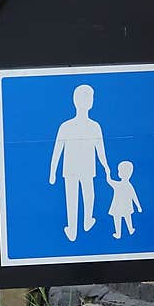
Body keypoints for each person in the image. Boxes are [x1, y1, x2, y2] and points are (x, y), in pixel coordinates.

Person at [48, 84, 111, 241]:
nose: (90, 100)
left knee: (82, 196)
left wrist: (106, 167)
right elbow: (58, 150)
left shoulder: (87, 126)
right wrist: (52, 172)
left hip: (77, 169)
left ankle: (80, 224)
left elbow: (100, 151)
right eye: (88, 97)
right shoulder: (75, 126)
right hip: (75, 169)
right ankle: (80, 224)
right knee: (83, 196)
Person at [107, 161, 142, 239]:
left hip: (117, 206)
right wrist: (138, 207)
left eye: (119, 171)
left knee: (117, 218)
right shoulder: (129, 185)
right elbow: (134, 197)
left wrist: (108, 173)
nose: (118, 172)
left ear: (121, 173)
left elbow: (109, 181)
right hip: (126, 206)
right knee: (127, 217)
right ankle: (130, 229)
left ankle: (119, 233)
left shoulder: (118, 185)